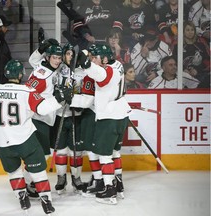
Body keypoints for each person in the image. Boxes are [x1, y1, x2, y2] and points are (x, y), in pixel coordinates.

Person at [0, 59, 72, 215]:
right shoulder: (27, 91)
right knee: (38, 172)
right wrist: (60, 98)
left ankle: (22, 197)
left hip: (4, 143)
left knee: (14, 172)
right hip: (26, 141)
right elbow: (43, 109)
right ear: (20, 74)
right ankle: (46, 201)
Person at [76, 43, 132, 204]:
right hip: (121, 114)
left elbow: (95, 71)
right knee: (115, 152)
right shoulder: (118, 65)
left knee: (105, 156)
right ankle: (118, 183)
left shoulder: (105, 72)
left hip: (109, 118)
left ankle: (109, 190)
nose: (93, 60)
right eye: (92, 57)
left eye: (96, 57)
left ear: (105, 59)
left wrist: (84, 59)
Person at [24, 39, 64, 198]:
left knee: (41, 153)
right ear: (48, 58)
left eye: (59, 58)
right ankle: (28, 183)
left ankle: (30, 182)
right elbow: (28, 92)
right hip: (39, 118)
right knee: (40, 154)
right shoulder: (42, 75)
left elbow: (33, 60)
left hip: (47, 118)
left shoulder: (44, 66)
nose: (57, 61)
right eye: (54, 57)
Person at [51, 43, 85, 195]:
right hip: (60, 115)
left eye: (73, 54)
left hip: (76, 117)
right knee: (61, 151)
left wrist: (79, 104)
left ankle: (76, 178)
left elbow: (86, 93)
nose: (70, 57)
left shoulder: (81, 73)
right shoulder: (56, 71)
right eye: (68, 54)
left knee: (76, 151)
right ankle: (61, 178)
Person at [172, 21, 210, 88]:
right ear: (183, 31)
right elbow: (174, 62)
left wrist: (197, 70)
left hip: (200, 74)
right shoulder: (177, 46)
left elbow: (206, 62)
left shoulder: (201, 45)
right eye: (187, 30)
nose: (190, 32)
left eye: (192, 30)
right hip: (183, 76)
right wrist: (184, 69)